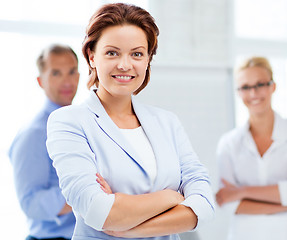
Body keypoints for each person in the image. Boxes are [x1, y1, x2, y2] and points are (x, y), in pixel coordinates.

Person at [45, 3, 214, 240]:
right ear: (92, 56)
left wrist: (130, 225)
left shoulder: (167, 122)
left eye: (137, 53)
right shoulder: (68, 122)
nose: (125, 65)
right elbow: (97, 212)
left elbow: (205, 205)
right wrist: (172, 197)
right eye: (112, 52)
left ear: (147, 60)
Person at [216, 57, 287, 240]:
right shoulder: (229, 143)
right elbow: (225, 201)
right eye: (245, 87)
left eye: (260, 84)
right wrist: (286, 203)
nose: (253, 93)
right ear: (238, 92)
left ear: (273, 86)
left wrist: (241, 192)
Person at [8, 44, 79, 240]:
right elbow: (31, 203)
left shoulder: (82, 125)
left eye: (72, 71)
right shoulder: (34, 134)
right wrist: (85, 194)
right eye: (56, 73)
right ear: (41, 81)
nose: (67, 81)